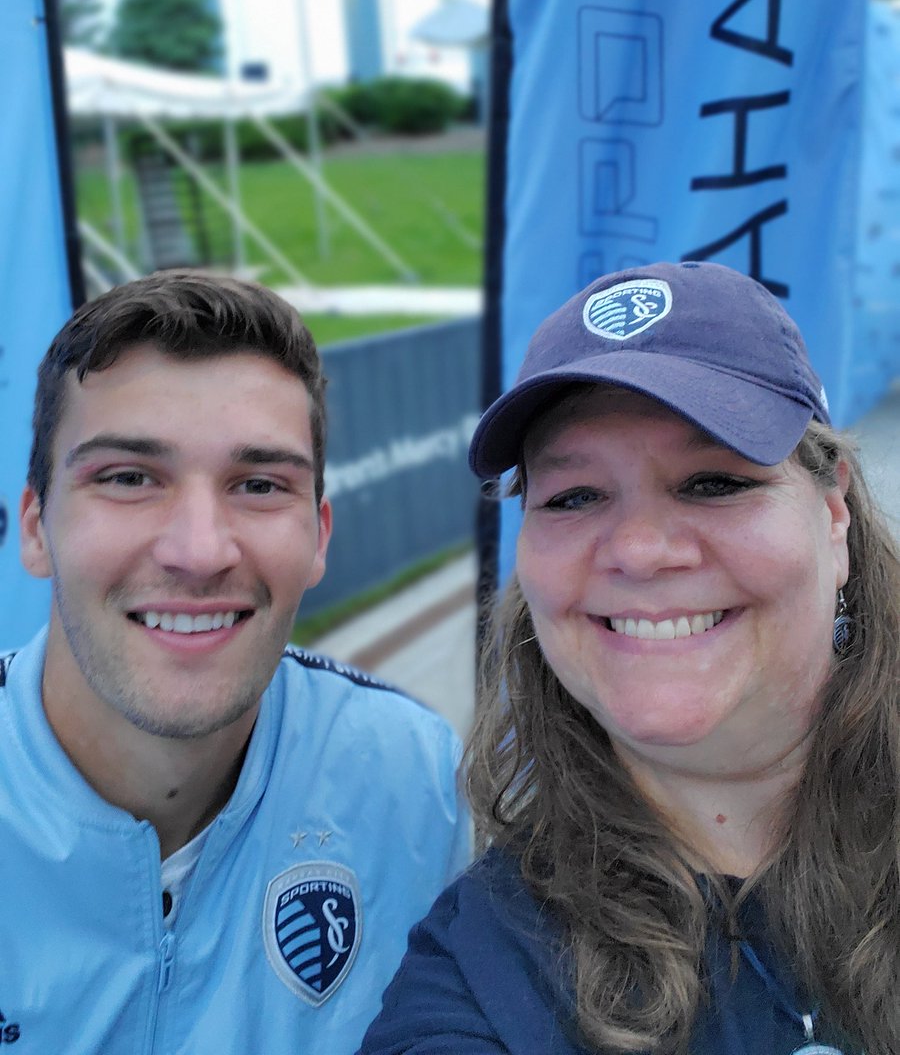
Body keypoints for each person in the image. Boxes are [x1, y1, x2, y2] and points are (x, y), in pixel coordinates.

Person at [359, 260, 900, 1055]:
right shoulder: (482, 978)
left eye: (714, 482)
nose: (641, 551)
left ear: (832, 515)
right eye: (573, 497)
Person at [0, 271, 469, 1053]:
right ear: (36, 527)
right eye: (127, 478)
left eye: (258, 484)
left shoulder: (417, 786)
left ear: (319, 535)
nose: (199, 551)